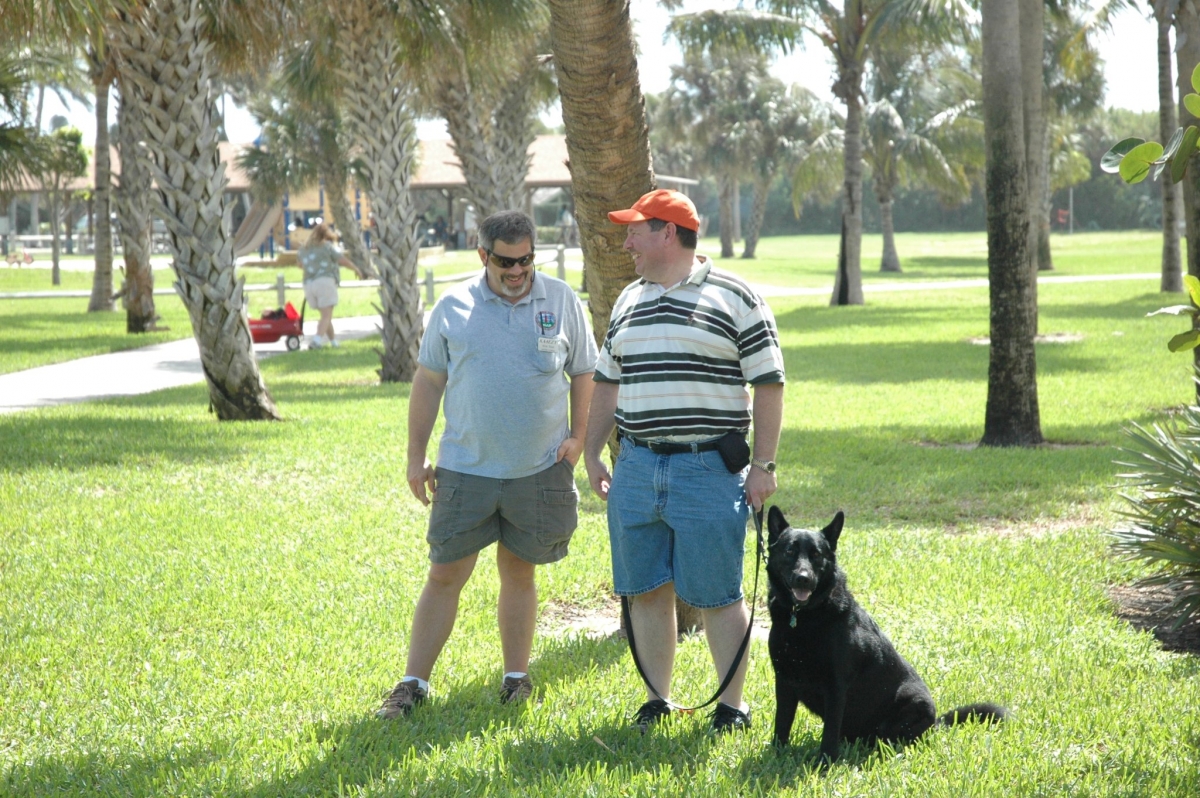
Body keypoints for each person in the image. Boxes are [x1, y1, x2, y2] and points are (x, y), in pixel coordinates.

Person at [378, 210, 598, 718]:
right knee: (444, 574)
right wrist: (415, 455)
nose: (517, 271)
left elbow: (584, 371)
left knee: (519, 572)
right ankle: (412, 684)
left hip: (538, 470)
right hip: (465, 468)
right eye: (505, 262)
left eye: (525, 260)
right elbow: (428, 381)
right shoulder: (453, 306)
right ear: (483, 256)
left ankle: (515, 678)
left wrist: (579, 437)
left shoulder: (561, 300)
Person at [583, 189, 785, 735]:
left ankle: (732, 708)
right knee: (645, 591)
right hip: (636, 467)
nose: (626, 243)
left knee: (718, 594)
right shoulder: (628, 299)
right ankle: (657, 701)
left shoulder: (736, 297)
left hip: (707, 470)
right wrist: (592, 452)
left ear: (667, 233)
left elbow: (769, 383)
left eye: (635, 231)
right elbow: (607, 382)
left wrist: (764, 465)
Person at [298, 222, 353, 349]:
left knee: (325, 317)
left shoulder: (303, 249)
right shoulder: (327, 247)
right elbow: (342, 260)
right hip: (325, 282)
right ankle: (316, 341)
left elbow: (300, 265)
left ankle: (333, 342)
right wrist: (357, 270)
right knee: (326, 316)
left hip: (309, 284)